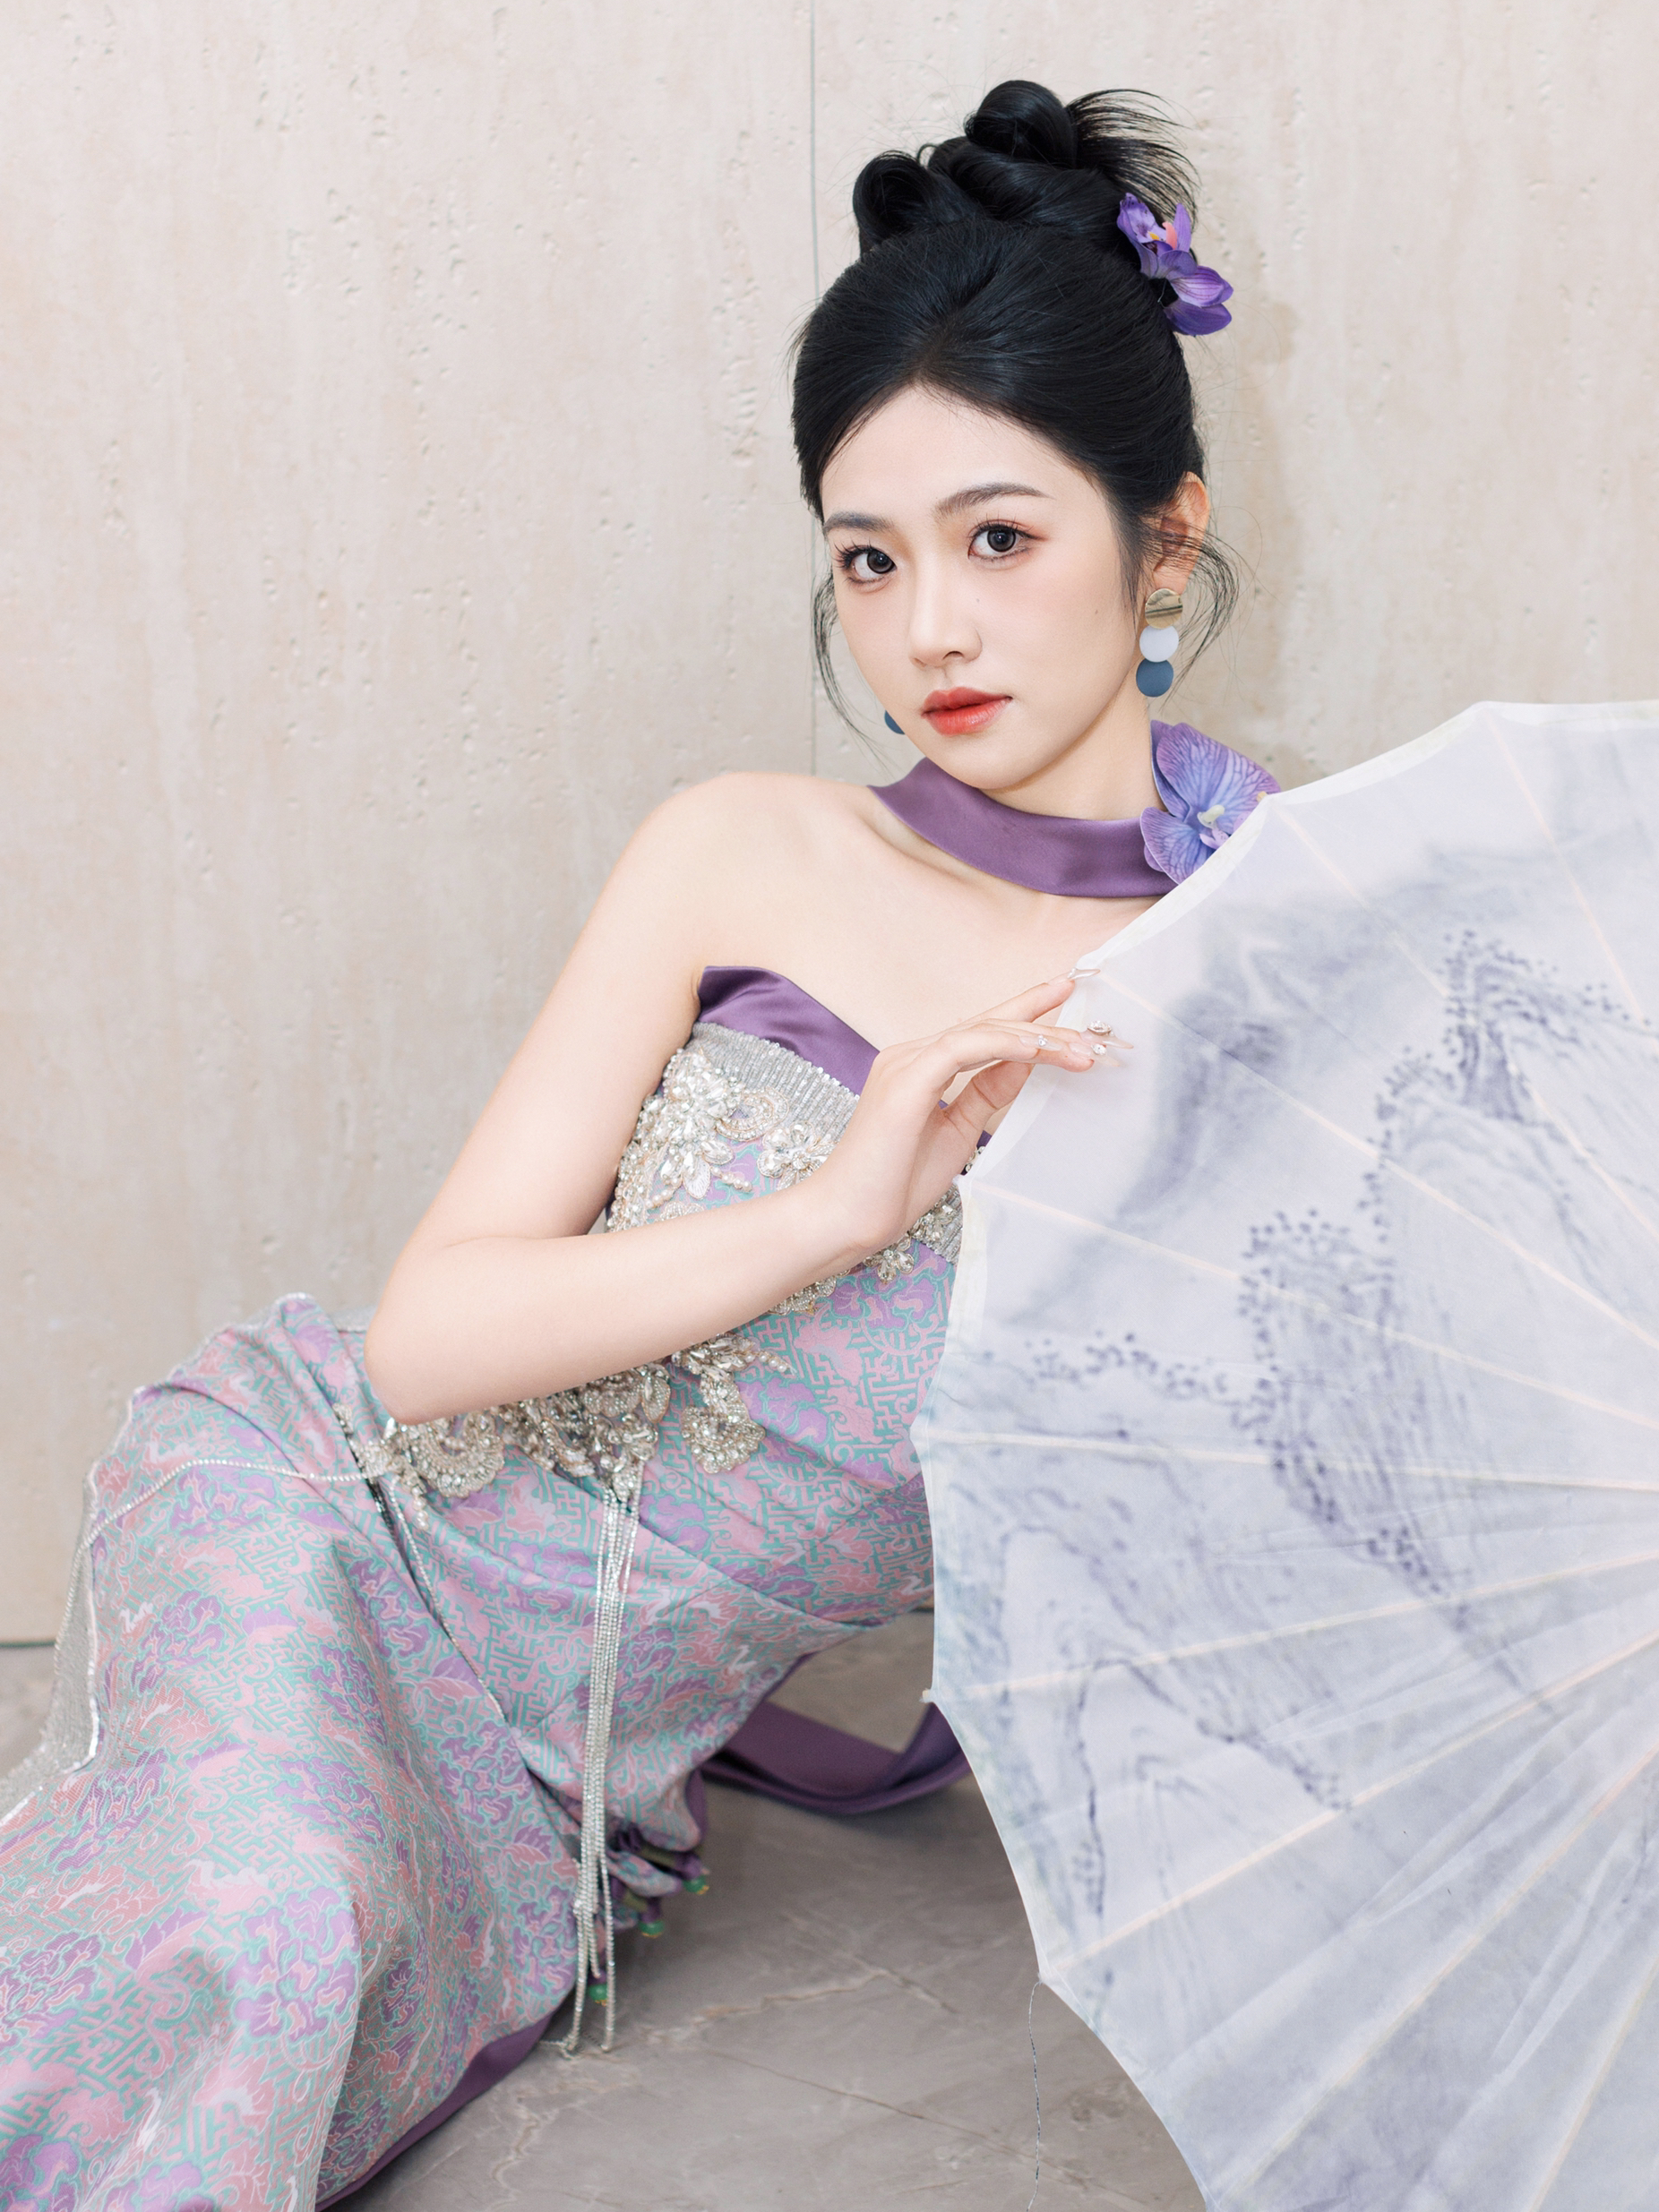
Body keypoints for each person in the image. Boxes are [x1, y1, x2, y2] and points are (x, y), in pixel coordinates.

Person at [0, 80, 1271, 2206]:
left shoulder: (1245, 982)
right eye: (865, 558)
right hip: (324, 1521)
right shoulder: (743, 845)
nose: (926, 630)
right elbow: (425, 1341)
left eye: (997, 538)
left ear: (1160, 537)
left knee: (286, 1965)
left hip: (576, 1776)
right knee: (258, 1941)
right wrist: (840, 1203)